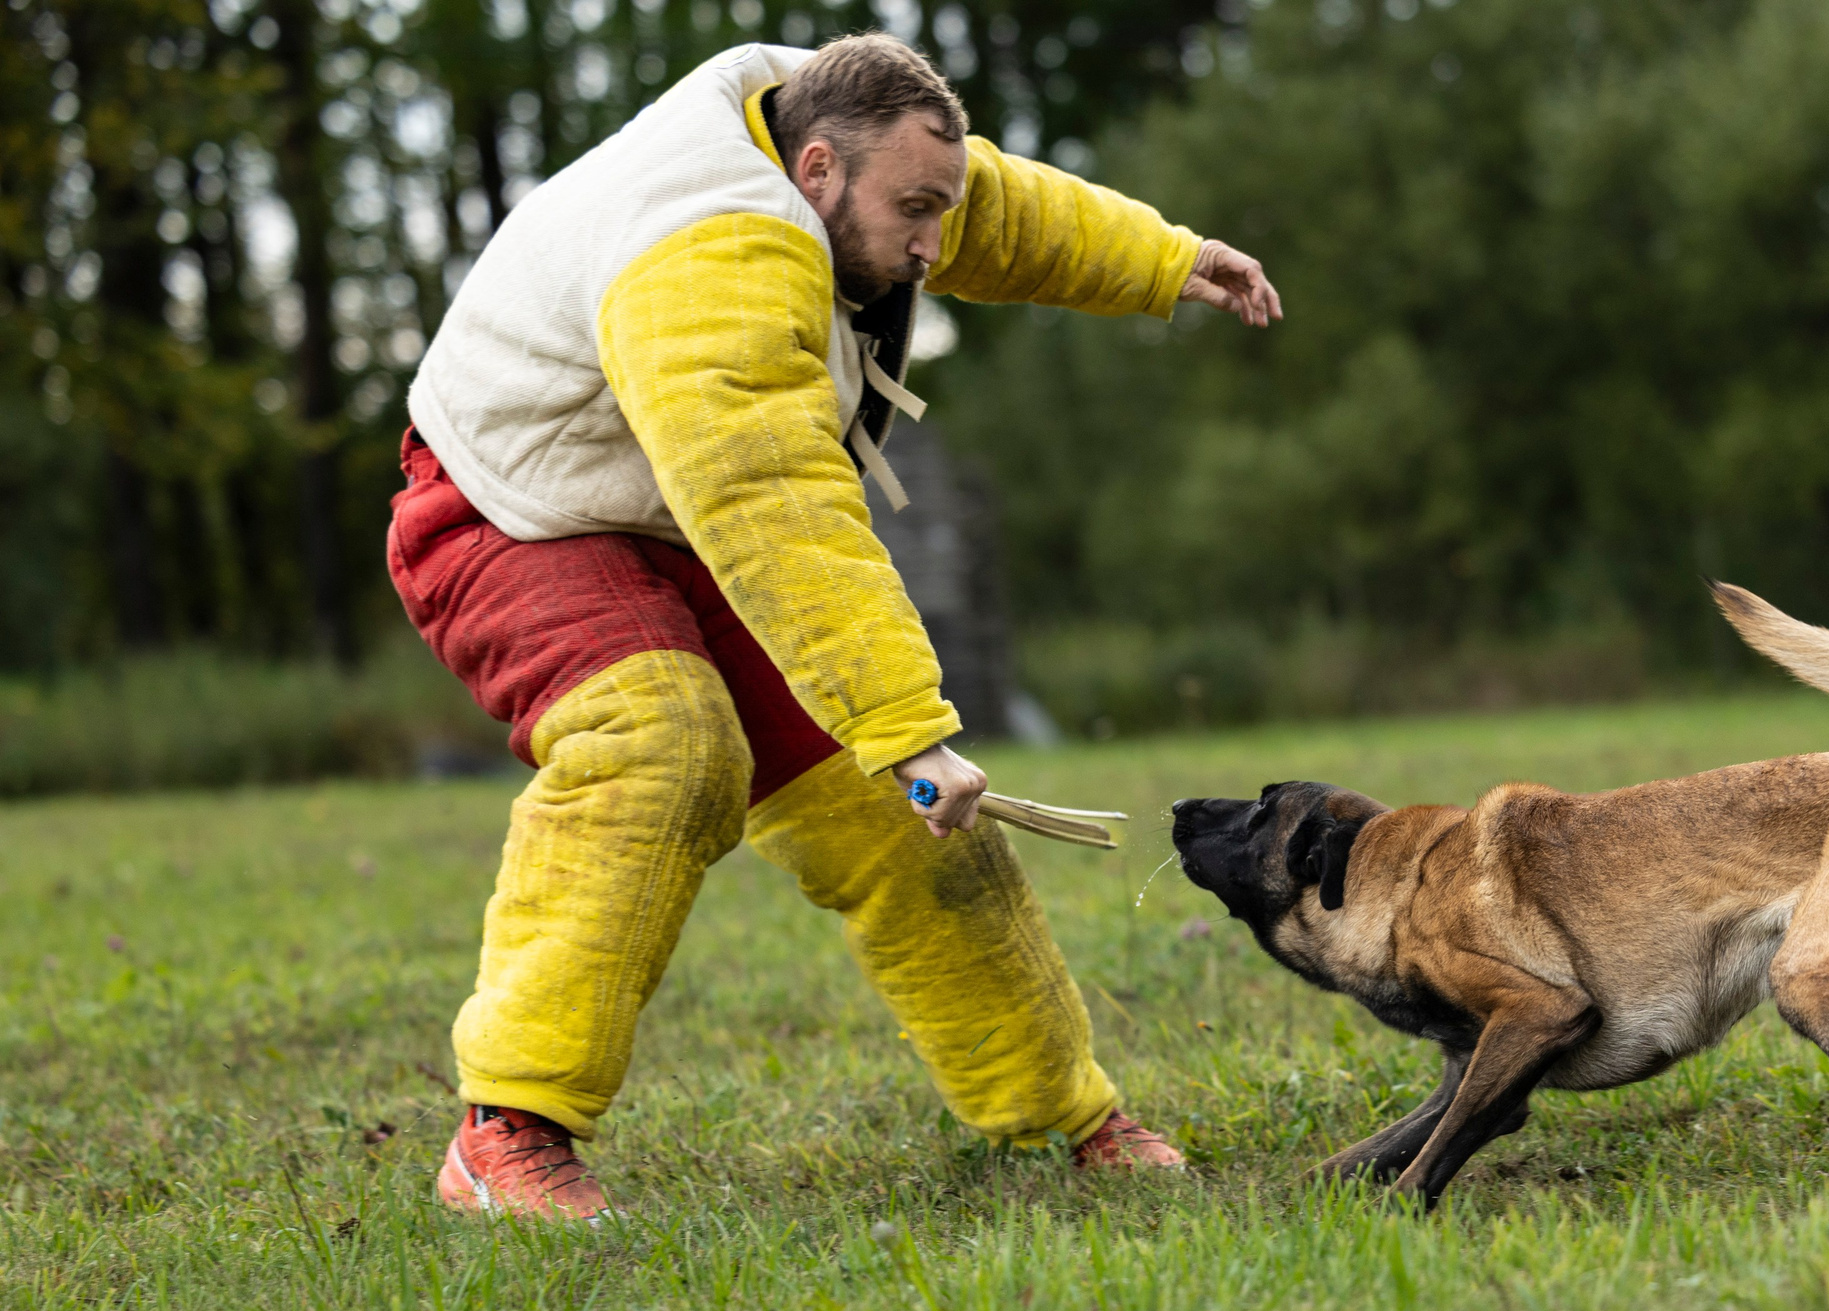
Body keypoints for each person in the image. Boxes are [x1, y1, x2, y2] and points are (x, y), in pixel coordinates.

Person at [388, 33, 1282, 1219]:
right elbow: (773, 501)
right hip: (513, 509)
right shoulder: (712, 250)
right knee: (664, 745)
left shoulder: (836, 129)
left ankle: (1056, 1115)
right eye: (913, 212)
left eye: (933, 207)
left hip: (672, 511)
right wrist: (907, 723)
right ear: (813, 173)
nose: (931, 243)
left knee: (899, 813)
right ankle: (504, 1137)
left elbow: (989, 205)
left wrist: (1165, 260)